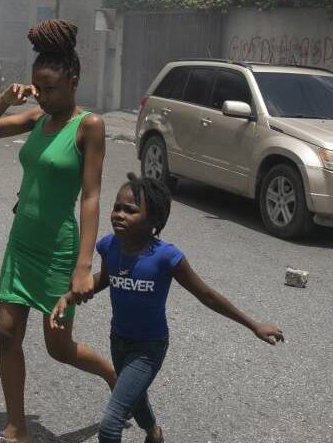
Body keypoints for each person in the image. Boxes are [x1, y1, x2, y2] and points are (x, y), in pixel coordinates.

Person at [51, 174, 286, 443]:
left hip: (149, 348)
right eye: (117, 207)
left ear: (153, 220)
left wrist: (254, 325)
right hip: (118, 340)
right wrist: (69, 296)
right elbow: (104, 279)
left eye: (130, 210)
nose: (119, 215)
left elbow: (207, 295)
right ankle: (154, 432)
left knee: (110, 425)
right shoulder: (109, 246)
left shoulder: (166, 257)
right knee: (135, 397)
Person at [0, 19, 114, 443]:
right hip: (22, 243)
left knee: (59, 348)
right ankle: (16, 429)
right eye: (37, 88)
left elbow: (91, 197)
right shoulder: (37, 117)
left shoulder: (89, 126)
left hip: (57, 250)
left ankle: (113, 375)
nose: (42, 96)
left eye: (50, 88)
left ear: (73, 80)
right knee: (6, 333)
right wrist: (5, 100)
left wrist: (84, 266)